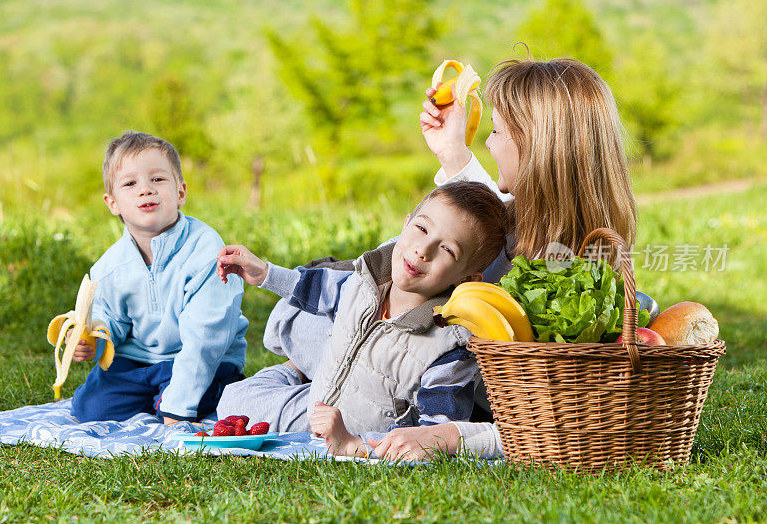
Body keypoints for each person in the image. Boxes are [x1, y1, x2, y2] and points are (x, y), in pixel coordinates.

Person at [367, 56, 639, 460]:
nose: (490, 142)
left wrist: (455, 437)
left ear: (536, 148)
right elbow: (492, 219)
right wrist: (452, 152)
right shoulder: (540, 238)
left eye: (496, 132)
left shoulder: (572, 293)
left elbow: (555, 425)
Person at [215, 181, 511, 457]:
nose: (424, 250)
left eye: (447, 249)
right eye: (421, 229)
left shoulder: (449, 347)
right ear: (406, 223)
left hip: (359, 433)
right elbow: (315, 288)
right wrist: (264, 273)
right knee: (232, 401)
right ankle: (293, 372)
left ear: (467, 279)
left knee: (245, 411)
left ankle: (301, 378)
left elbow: (430, 435)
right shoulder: (364, 279)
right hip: (317, 405)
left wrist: (353, 444)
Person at [67, 131, 249, 424]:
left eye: (158, 179)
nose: (146, 190)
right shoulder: (111, 266)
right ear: (112, 203)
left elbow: (207, 336)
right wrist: (95, 339)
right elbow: (109, 316)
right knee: (90, 409)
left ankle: (185, 395)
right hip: (139, 361)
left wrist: (178, 408)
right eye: (130, 183)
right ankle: (157, 396)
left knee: (188, 400)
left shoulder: (206, 251)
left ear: (180, 193)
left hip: (202, 357)